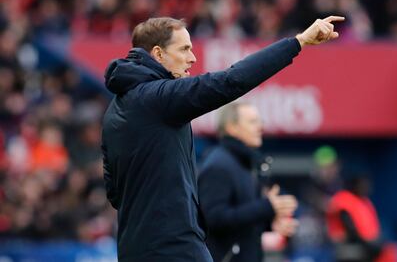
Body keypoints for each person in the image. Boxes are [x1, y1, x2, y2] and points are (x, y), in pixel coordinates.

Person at [101, 15, 344, 262]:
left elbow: (114, 193)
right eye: (184, 49)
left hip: (134, 249)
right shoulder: (158, 99)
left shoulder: (115, 112)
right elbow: (231, 81)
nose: (192, 58)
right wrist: (298, 42)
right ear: (158, 54)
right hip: (173, 249)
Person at [198, 102, 298, 262]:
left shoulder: (244, 163)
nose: (260, 127)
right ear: (232, 127)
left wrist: (270, 223)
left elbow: (241, 220)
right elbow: (213, 219)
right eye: (253, 122)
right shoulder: (218, 165)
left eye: (260, 121)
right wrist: (267, 207)